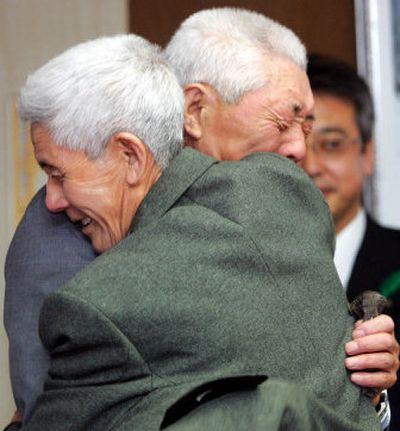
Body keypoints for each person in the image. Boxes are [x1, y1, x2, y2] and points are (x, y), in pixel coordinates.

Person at [3, 8, 397, 429]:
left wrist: (367, 389)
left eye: (308, 124)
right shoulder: (65, 228)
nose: (301, 147)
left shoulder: (277, 208)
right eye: (284, 119)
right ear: (193, 110)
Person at [300, 53, 400, 429]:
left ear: (367, 153)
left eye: (331, 144)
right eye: (300, 146)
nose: (311, 166)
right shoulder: (248, 268)